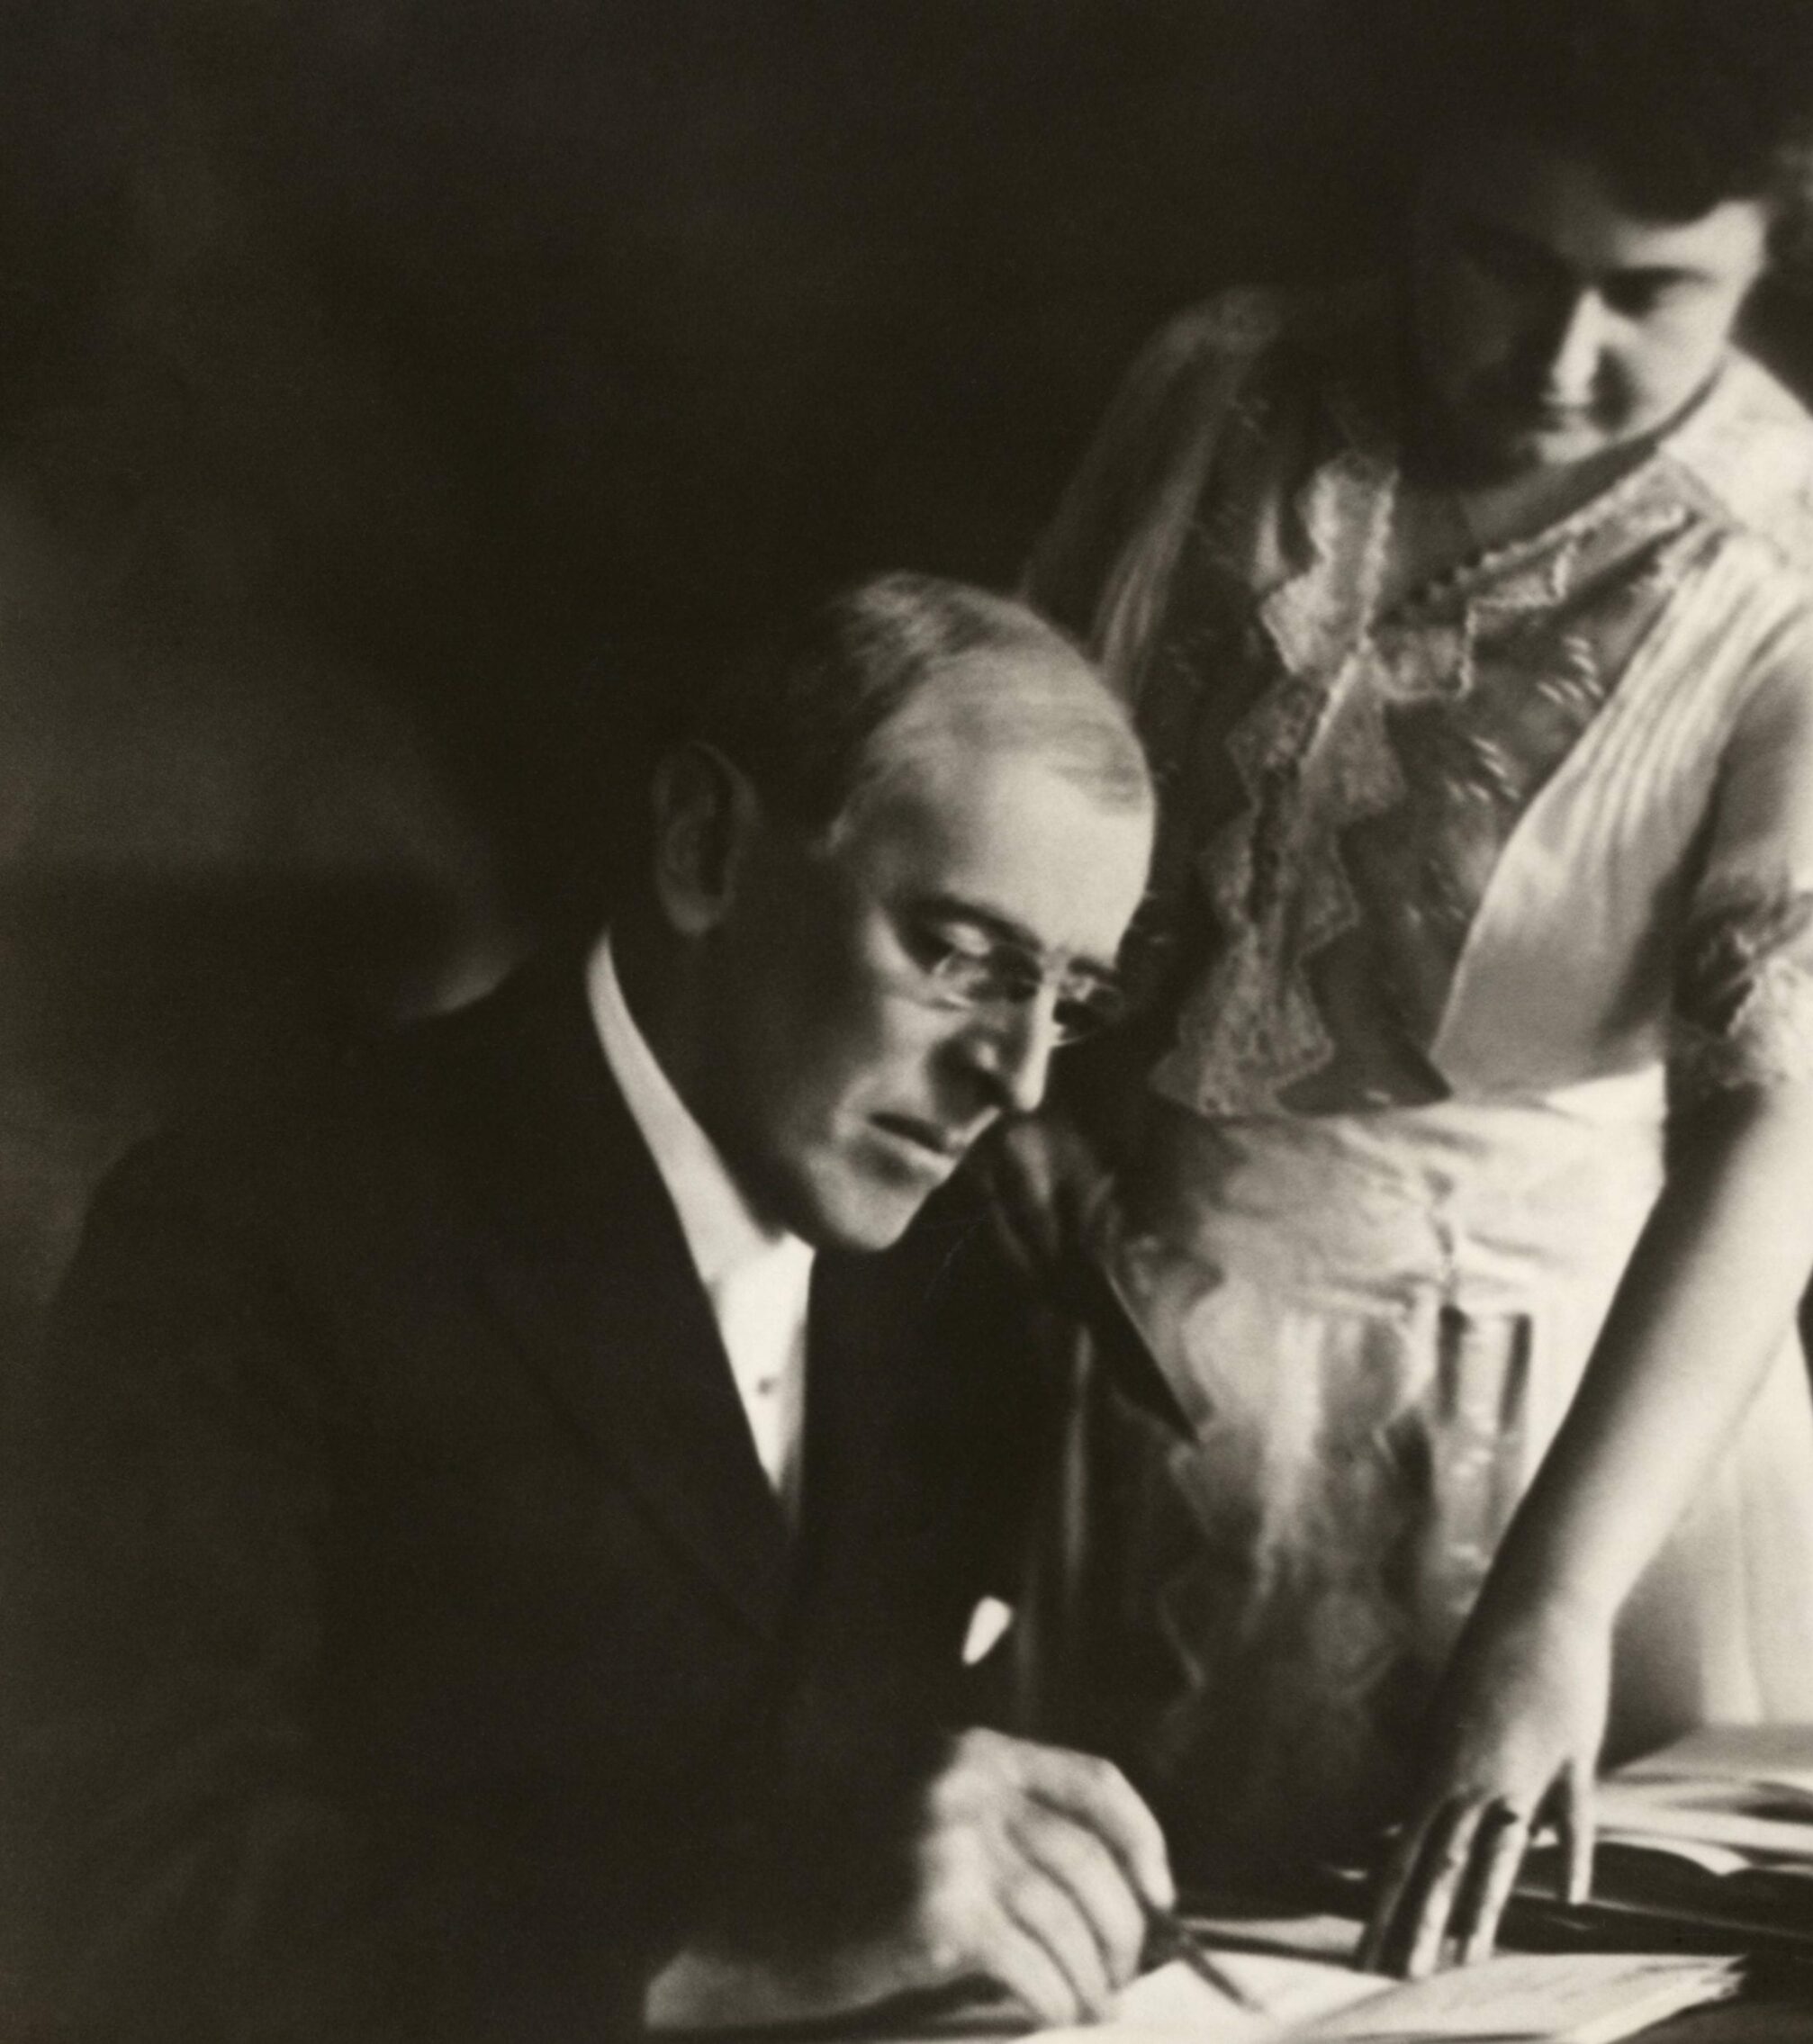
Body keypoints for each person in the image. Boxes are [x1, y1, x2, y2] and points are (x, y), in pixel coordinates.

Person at [1001, 0, 1813, 1974]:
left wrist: (1548, 1614)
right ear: (1418, 189)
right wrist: (1015, 1117)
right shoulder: (1224, 388)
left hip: (1549, 1426)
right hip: (1109, 1346)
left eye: (1654, 292)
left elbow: (1767, 1155)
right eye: (1503, 262)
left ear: (1770, 251)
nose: (1558, 355)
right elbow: (1008, 787)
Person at [0, 574, 1170, 2041]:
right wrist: (727, 1945)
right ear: (704, 848)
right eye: (962, 960)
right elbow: (109, 1896)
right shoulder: (257, 1228)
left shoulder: (961, 1272)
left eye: (1070, 998)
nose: (1021, 1077)